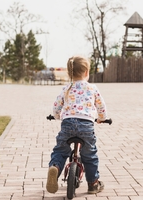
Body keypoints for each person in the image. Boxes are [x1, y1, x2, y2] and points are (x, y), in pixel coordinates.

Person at [46, 56, 108, 195]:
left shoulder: (67, 88)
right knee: (90, 155)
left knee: (61, 151)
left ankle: (55, 168)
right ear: (86, 72)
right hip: (86, 125)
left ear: (69, 73)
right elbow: (101, 106)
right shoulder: (92, 88)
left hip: (67, 124)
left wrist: (56, 116)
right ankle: (93, 184)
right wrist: (102, 118)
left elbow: (57, 106)